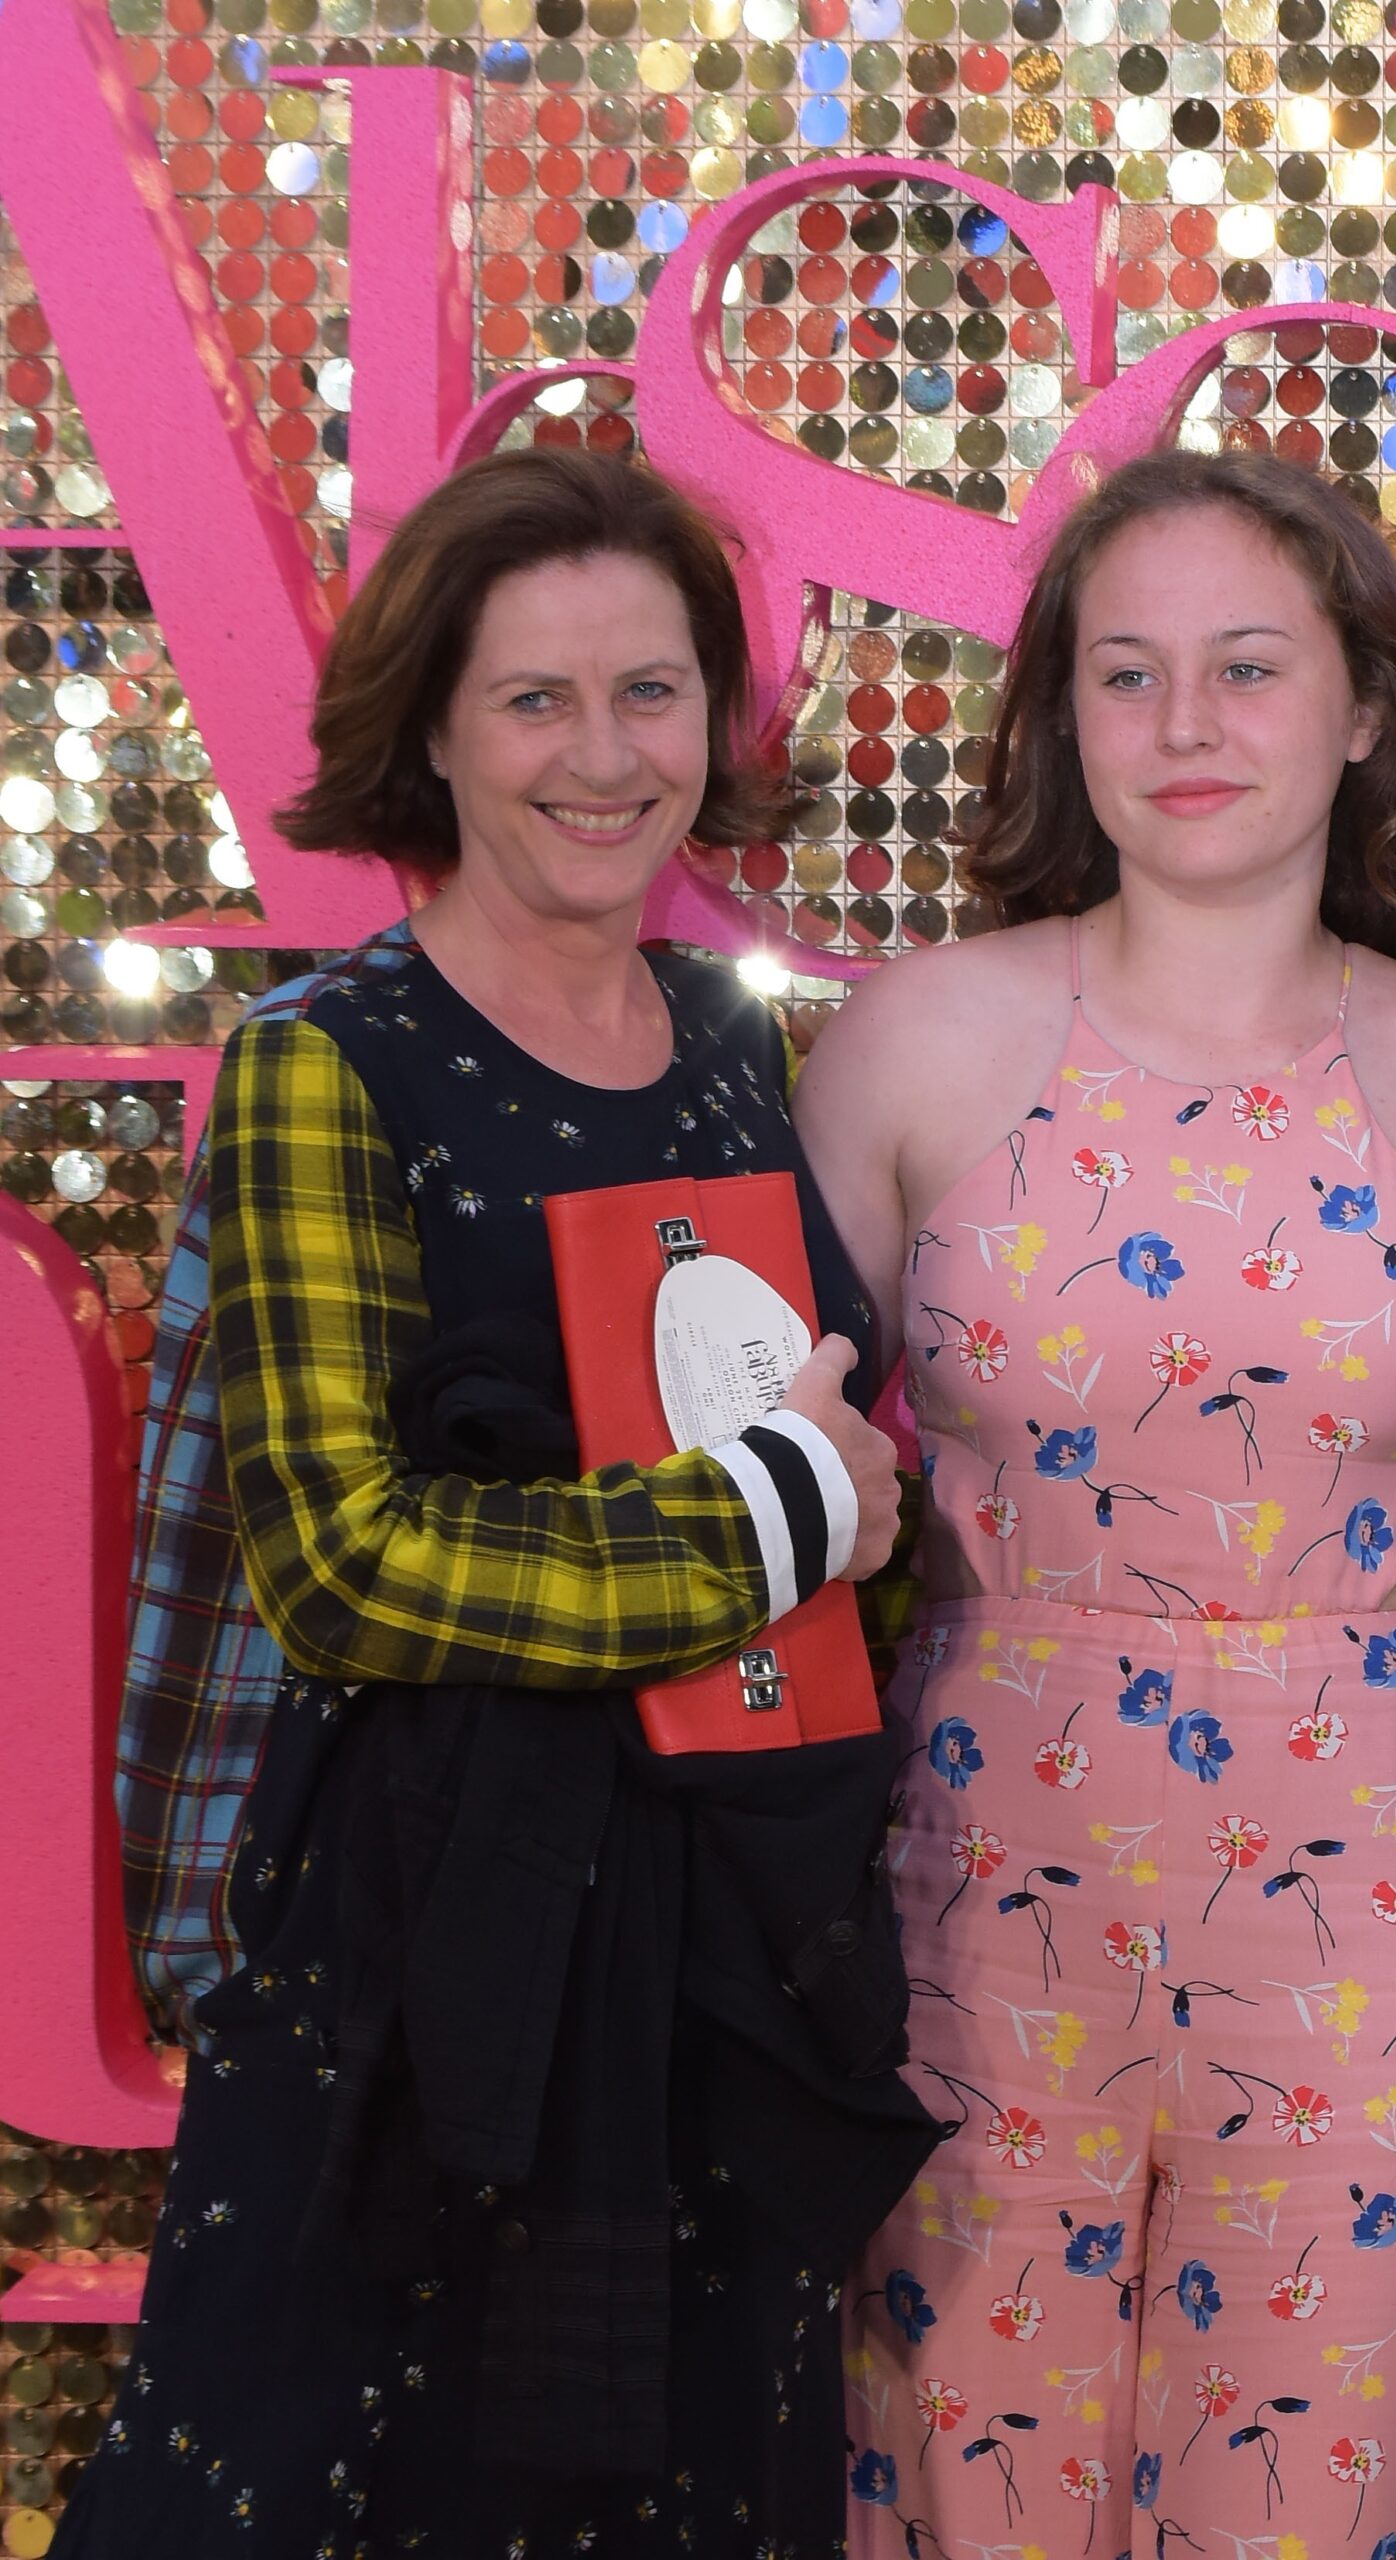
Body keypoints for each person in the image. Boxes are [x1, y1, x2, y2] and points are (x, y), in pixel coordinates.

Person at [68, 445, 935, 2559]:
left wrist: (863, 1534)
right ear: (434, 727)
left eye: (651, 693)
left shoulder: (733, 1053)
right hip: (408, 1961)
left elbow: (805, 1464)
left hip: (710, 1952)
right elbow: (345, 1558)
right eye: (535, 697)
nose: (602, 754)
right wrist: (768, 1524)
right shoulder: (322, 1061)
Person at [798, 449, 1396, 2560]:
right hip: (971, 1914)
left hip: (1372, 1929)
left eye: (1247, 665)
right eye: (1129, 676)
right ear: (1065, 717)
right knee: (962, 2494)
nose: (1190, 726)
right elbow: (760, 1498)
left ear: (1367, 706)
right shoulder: (912, 1047)